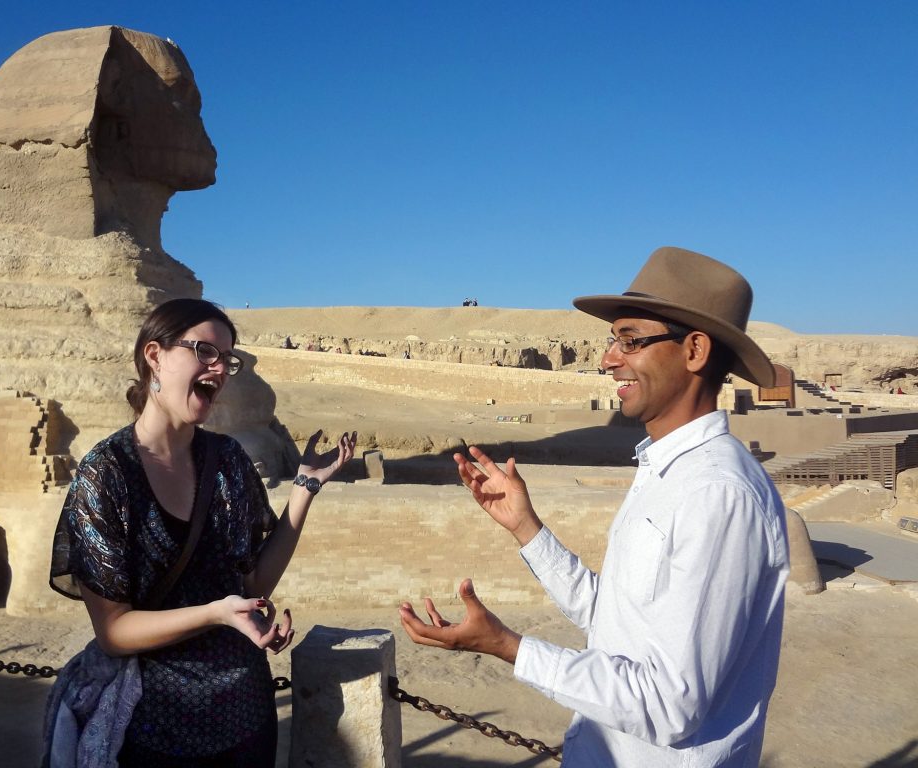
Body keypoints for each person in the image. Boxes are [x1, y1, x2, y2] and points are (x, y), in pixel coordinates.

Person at [400, 247, 789, 767]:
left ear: (695, 350)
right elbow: (616, 622)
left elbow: (672, 706)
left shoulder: (716, 494)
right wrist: (528, 529)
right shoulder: (665, 471)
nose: (608, 359)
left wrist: (507, 646)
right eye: (613, 340)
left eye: (630, 340)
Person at [49, 297, 356, 766]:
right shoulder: (106, 475)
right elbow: (114, 631)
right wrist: (215, 613)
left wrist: (304, 491)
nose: (220, 370)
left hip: (247, 719)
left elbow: (253, 584)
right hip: (155, 730)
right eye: (205, 353)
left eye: (227, 360)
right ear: (155, 356)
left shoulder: (229, 461)